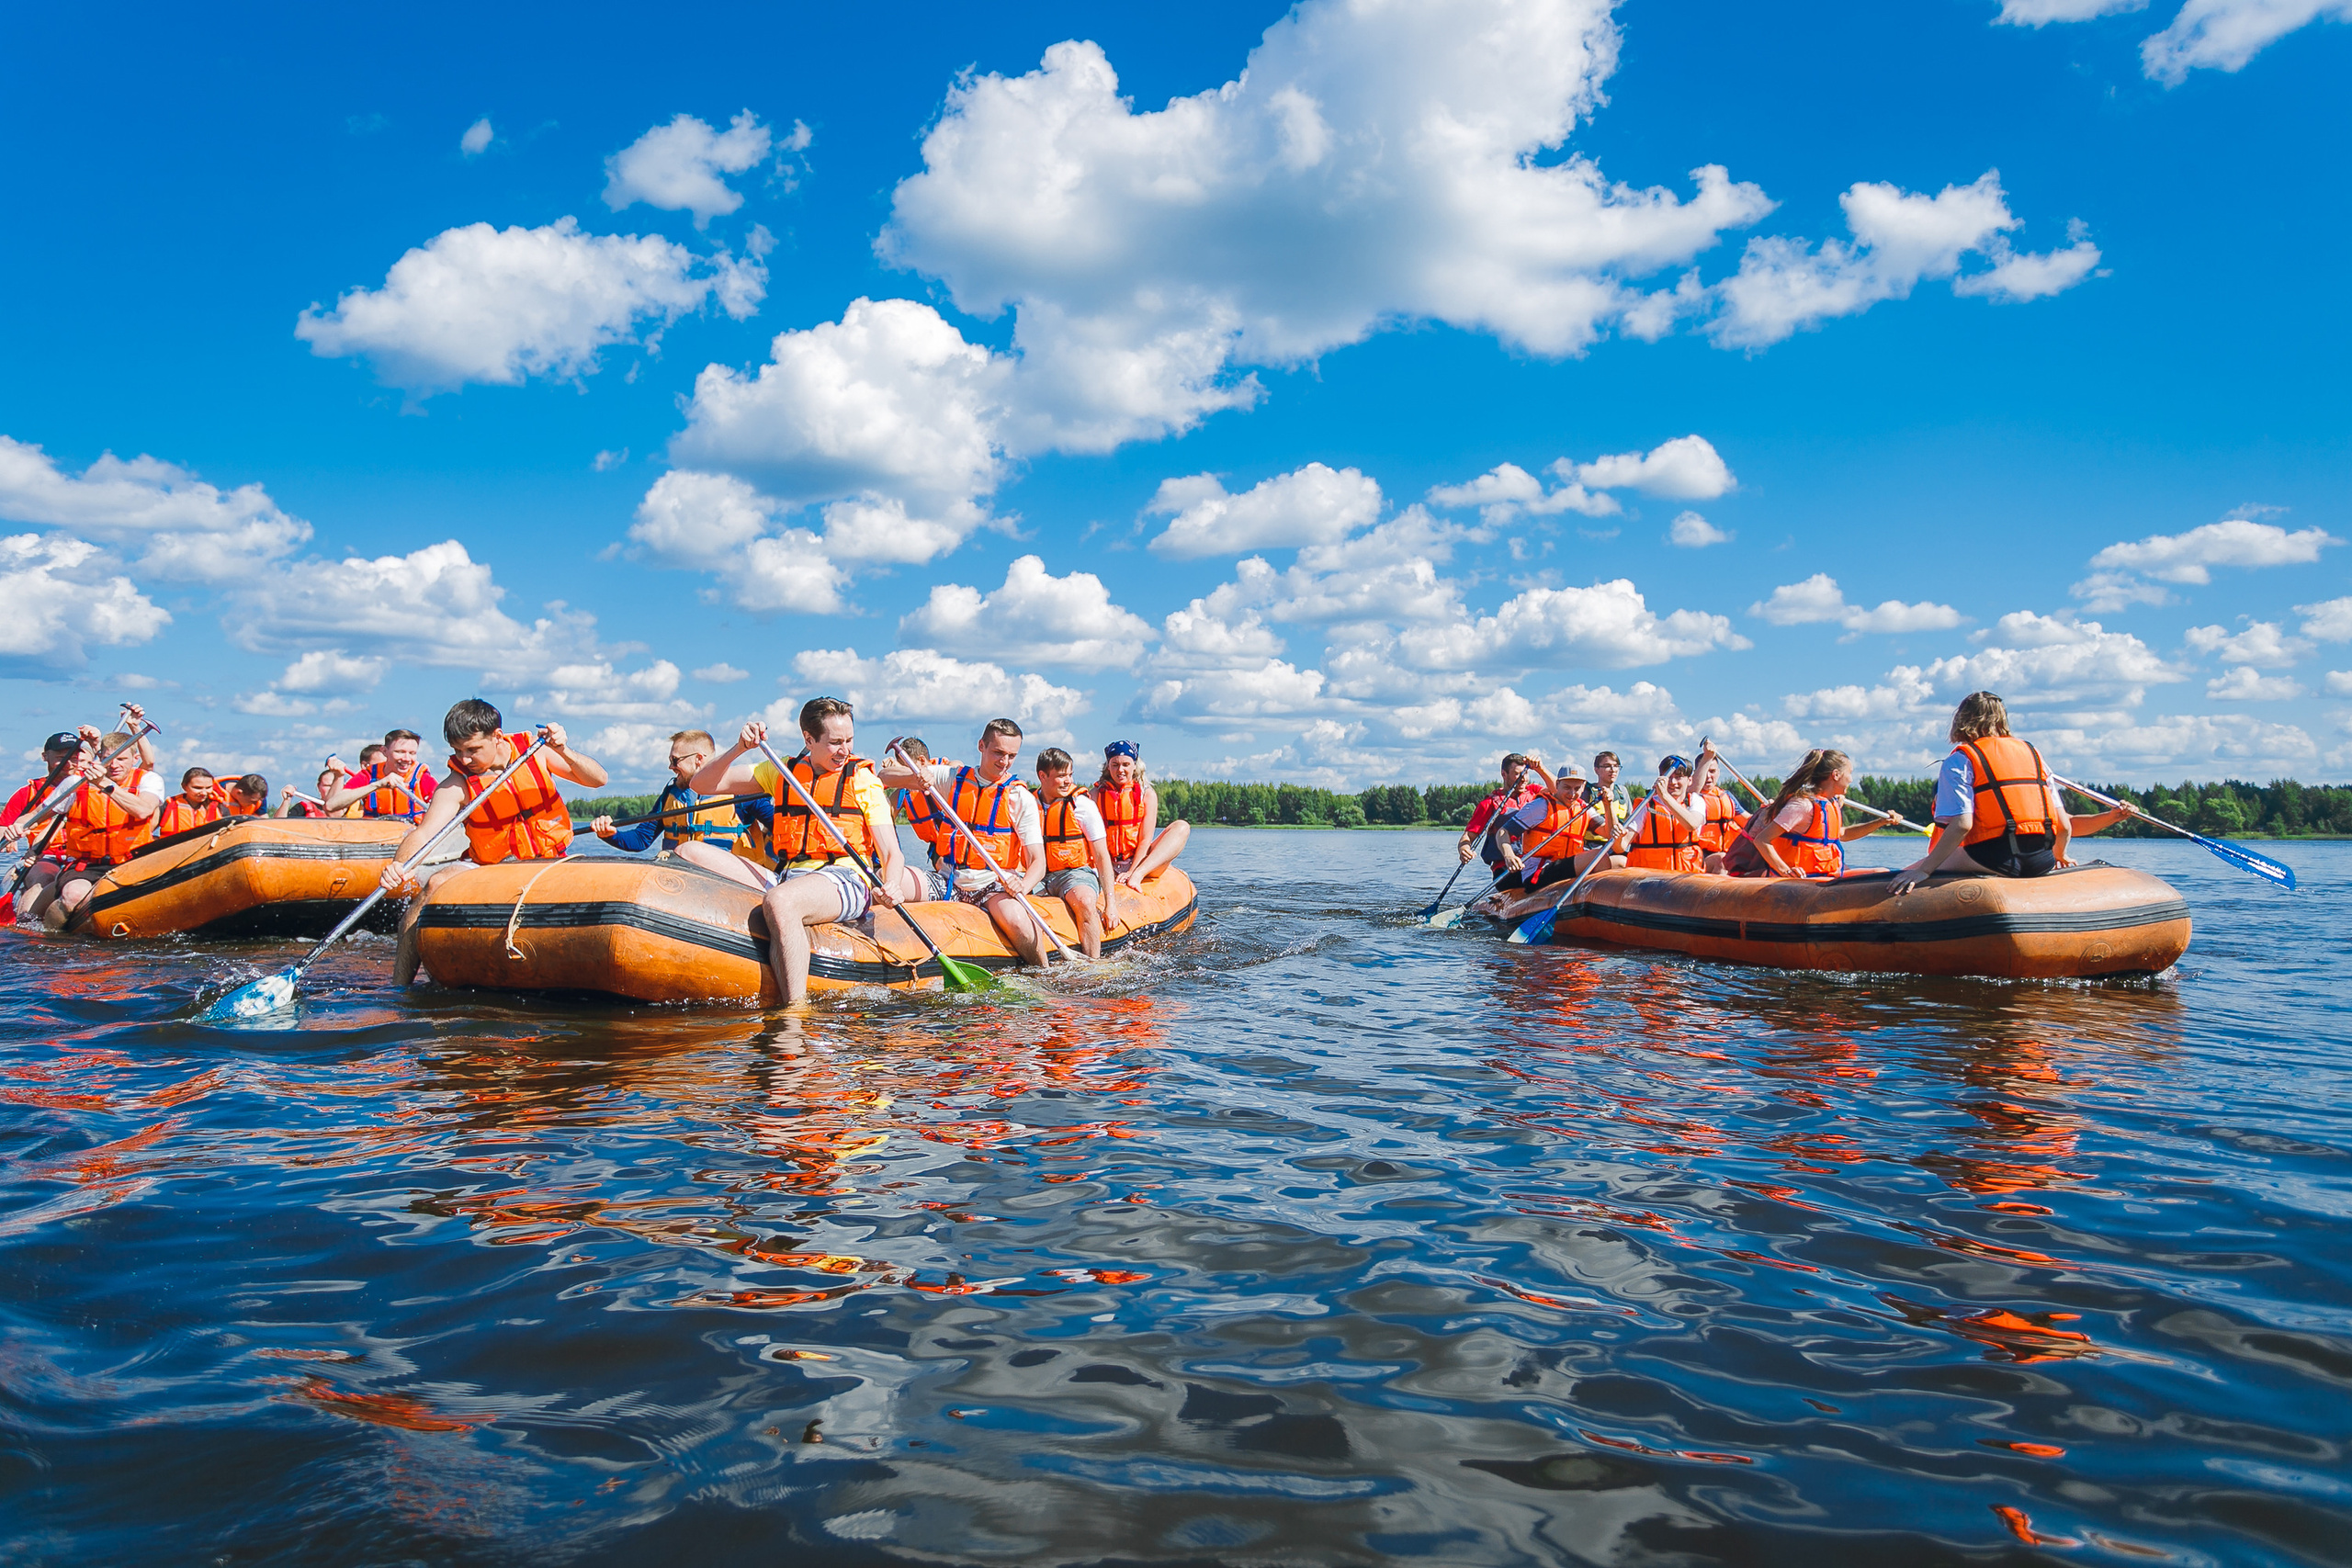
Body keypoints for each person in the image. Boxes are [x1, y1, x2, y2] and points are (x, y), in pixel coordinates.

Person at [678, 699, 910, 1003]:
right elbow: (702, 783)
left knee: (781, 901)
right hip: (790, 874)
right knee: (689, 851)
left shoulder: (862, 779)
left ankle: (795, 1013)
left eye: (849, 740)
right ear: (809, 739)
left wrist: (891, 883)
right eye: (835, 742)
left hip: (846, 879)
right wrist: (739, 748)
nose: (845, 750)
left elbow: (892, 853)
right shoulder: (782, 771)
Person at [383, 701, 606, 986]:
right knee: (434, 885)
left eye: (472, 750)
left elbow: (598, 779)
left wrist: (563, 750)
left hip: (548, 859)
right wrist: (398, 865)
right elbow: (424, 833)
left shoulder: (536, 752)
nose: (464, 759)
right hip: (488, 865)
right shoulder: (457, 783)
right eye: (458, 751)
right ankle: (400, 988)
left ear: (497, 737)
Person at [879, 717, 1052, 967]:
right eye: (998, 753)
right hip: (947, 878)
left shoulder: (1019, 796)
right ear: (981, 746)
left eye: (1011, 756)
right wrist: (917, 777)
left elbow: (1038, 862)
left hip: (991, 885)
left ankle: (1043, 973)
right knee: (887, 878)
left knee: (1016, 921)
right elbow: (884, 775)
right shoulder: (952, 777)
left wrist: (1023, 885)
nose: (1004, 762)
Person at [1891, 692, 2075, 895]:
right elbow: (2063, 825)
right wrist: (2060, 855)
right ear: (2003, 719)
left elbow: (1962, 824)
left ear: (1961, 719)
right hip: (2042, 859)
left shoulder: (1960, 760)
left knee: (1907, 871)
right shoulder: (2034, 754)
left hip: (1994, 859)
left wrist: (1923, 871)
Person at [21, 725, 165, 927]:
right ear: (100, 757)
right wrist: (18, 826)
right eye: (109, 758)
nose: (114, 765)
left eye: (122, 759)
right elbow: (37, 815)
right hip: (87, 863)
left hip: (133, 860)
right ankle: (50, 940)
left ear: (135, 760)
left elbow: (142, 810)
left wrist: (105, 785)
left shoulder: (149, 780)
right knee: (73, 896)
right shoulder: (75, 782)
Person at [590, 729, 758, 860]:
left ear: (698, 759)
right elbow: (641, 839)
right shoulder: (670, 794)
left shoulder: (740, 792)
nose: (671, 767)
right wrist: (611, 834)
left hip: (726, 879)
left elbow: (774, 823)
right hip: (681, 877)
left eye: (675, 760)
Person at [1726, 750, 1889, 878]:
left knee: (1881, 873)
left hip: (1822, 875)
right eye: (1850, 772)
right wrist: (1786, 871)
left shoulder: (1830, 803)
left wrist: (1880, 822)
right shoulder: (1803, 805)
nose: (1852, 779)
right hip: (1799, 879)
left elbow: (1843, 834)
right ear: (1836, 775)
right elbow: (1762, 840)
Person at [1035, 747, 1122, 957]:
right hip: (1038, 874)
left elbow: (1102, 857)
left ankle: (1093, 962)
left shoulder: (1082, 805)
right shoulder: (1028, 804)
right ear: (1042, 776)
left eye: (1070, 775)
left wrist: (1111, 904)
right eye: (1061, 776)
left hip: (1075, 873)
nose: (1068, 781)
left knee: (1083, 901)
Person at [1, 731, 88, 919]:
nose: (68, 763)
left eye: (74, 758)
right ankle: (26, 924)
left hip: (85, 855)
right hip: (45, 856)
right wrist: (8, 835)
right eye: (60, 757)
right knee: (45, 878)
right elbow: (4, 827)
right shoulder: (27, 793)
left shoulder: (89, 784)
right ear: (44, 756)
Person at [1490, 758, 1601, 894]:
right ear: (1558, 784)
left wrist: (1607, 805)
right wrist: (1509, 855)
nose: (1572, 794)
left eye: (1577, 789)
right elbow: (1503, 832)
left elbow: (1610, 833)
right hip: (1538, 872)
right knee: (1598, 856)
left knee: (1616, 861)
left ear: (1584, 787)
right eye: (1567, 787)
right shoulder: (1540, 806)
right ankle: (1593, 897)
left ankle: (1596, 902)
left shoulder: (1585, 809)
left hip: (1565, 866)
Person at [1092, 740, 1188, 892]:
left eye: (1126, 764)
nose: (1120, 770)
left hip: (1140, 862)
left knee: (1182, 827)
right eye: (1115, 764)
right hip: (1106, 864)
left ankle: (1138, 876)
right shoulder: (1095, 795)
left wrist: (1132, 872)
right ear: (1108, 766)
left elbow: (1145, 840)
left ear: (1134, 766)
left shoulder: (1147, 795)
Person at [1623, 747, 1714, 873]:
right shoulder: (1646, 805)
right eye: (1669, 777)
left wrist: (1664, 796)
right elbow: (1622, 845)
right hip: (1652, 878)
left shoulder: (1695, 800)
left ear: (1689, 780)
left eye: (1678, 777)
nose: (1673, 782)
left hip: (1686, 877)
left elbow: (1691, 824)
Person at [888, 737, 955, 899]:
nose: (906, 776)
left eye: (907, 768)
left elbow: (957, 766)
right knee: (939, 860)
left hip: (958, 842)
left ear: (922, 760)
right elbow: (885, 814)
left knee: (946, 861)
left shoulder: (947, 772)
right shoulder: (904, 794)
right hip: (937, 848)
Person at [324, 729, 435, 822]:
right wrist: (378, 785)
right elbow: (331, 806)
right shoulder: (369, 775)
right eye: (400, 752)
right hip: (374, 838)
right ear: (384, 751)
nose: (407, 759)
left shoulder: (422, 778)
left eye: (412, 753)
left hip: (410, 837)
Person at [1457, 753, 1539, 867]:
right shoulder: (1489, 804)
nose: (1523, 779)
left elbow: (1558, 791)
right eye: (1517, 774)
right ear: (1504, 774)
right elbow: (1468, 836)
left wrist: (1541, 768)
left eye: (1526, 774)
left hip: (1535, 863)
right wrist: (1464, 849)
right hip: (1505, 866)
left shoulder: (1535, 795)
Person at [1691, 754, 1750, 874]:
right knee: (1722, 860)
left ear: (1718, 772)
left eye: (1712, 771)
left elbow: (1748, 822)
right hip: (1698, 856)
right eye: (1705, 771)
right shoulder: (1690, 797)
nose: (1708, 776)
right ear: (1696, 773)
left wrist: (1768, 812)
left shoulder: (1726, 796)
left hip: (1726, 852)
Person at [157, 767, 225, 836]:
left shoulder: (220, 807)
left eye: (208, 788)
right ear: (184, 786)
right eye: (197, 788)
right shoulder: (168, 806)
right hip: (174, 845)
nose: (204, 793)